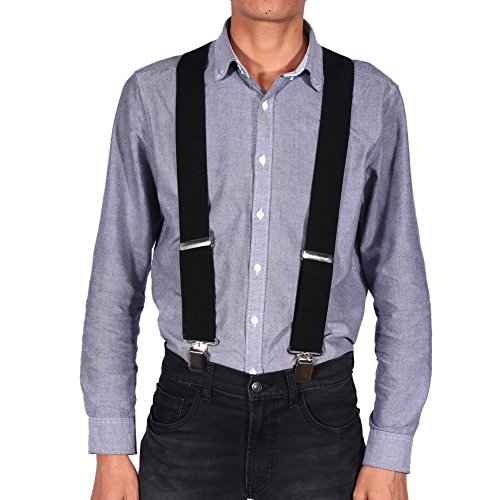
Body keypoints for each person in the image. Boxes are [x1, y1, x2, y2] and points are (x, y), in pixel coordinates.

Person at [80, 1, 432, 499]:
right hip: (189, 414)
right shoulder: (154, 94)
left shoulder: (371, 99)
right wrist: (111, 448)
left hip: (320, 420)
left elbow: (401, 283)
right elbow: (115, 277)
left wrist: (391, 452)